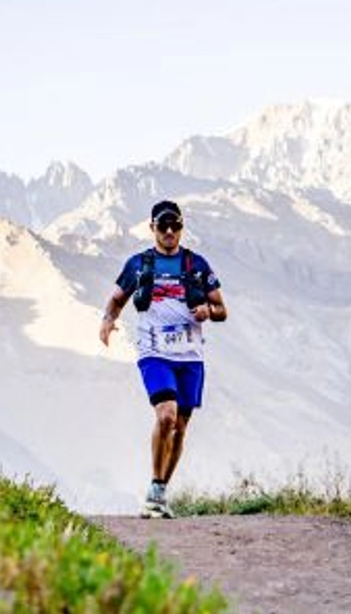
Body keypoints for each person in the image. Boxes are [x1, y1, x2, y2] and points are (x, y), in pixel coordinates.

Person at [99, 200, 228, 518]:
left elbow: (221, 309)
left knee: (181, 426)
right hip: (154, 351)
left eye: (176, 225)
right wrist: (107, 320)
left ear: (182, 227)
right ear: (152, 227)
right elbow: (116, 299)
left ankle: (159, 495)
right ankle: (156, 489)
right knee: (166, 415)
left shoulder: (196, 265)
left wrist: (207, 312)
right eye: (163, 225)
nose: (170, 231)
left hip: (190, 356)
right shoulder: (139, 264)